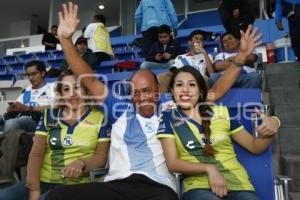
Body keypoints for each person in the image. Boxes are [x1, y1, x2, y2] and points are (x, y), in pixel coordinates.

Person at [45, 3, 274, 199]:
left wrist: (241, 59)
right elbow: (90, 80)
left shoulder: (172, 108)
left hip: (158, 187)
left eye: (147, 90)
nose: (142, 96)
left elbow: (217, 91)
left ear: (158, 90)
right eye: (136, 92)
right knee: (58, 196)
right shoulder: (120, 109)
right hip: (117, 184)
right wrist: (65, 40)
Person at [157, 66, 280, 200]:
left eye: (192, 85)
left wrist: (271, 126)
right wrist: (209, 169)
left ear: (201, 91)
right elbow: (172, 163)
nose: (185, 89)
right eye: (179, 85)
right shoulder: (169, 117)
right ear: (173, 91)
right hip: (198, 187)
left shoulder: (222, 112)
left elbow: (255, 147)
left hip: (238, 185)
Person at [0, 70, 110, 200]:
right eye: (66, 89)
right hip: (43, 181)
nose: (73, 94)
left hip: (76, 186)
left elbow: (101, 158)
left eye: (77, 87)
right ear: (61, 94)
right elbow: (36, 154)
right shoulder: (49, 115)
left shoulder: (100, 118)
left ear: (86, 90)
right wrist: (34, 189)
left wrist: (81, 163)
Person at [3, 60, 56, 134]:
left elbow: (57, 107)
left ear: (43, 73)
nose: (30, 78)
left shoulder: (53, 87)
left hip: (41, 123)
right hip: (21, 119)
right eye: (28, 75)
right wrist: (12, 108)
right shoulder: (27, 89)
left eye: (34, 74)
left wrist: (29, 108)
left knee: (12, 123)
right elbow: (18, 104)